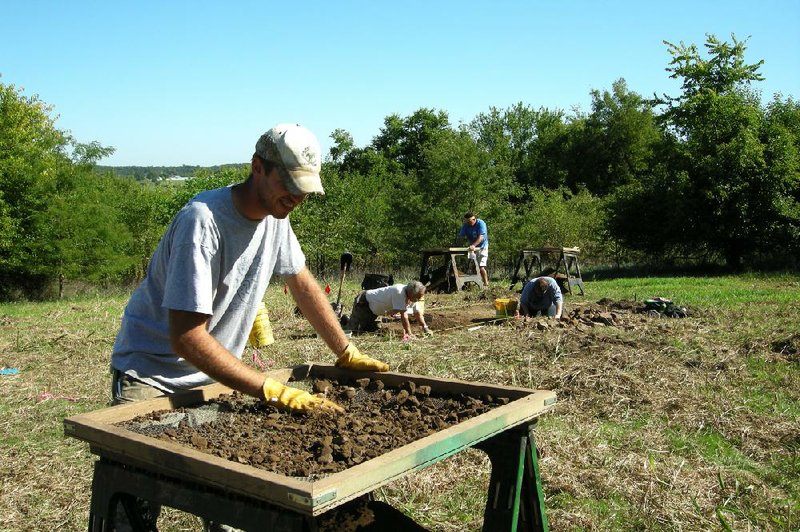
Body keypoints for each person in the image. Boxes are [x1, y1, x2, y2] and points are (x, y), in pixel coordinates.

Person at [109, 123, 392, 530]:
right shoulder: (202, 222)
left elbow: (302, 282)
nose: (296, 197)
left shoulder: (277, 218)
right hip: (153, 375)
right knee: (132, 508)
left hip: (216, 376)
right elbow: (186, 337)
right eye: (290, 184)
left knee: (233, 507)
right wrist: (269, 388)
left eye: (304, 188)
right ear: (257, 167)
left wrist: (344, 350)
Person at [347, 281, 432, 338]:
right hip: (364, 303)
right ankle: (345, 320)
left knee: (371, 331)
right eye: (418, 297)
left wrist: (425, 328)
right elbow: (404, 316)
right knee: (354, 331)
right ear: (411, 293)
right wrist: (409, 334)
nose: (419, 299)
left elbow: (418, 313)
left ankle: (354, 321)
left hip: (374, 312)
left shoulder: (413, 297)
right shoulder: (399, 292)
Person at [458, 211, 489, 287]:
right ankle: (478, 283)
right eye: (466, 222)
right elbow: (461, 237)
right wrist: (456, 245)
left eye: (469, 221)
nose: (468, 223)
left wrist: (474, 245)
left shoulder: (481, 223)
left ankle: (486, 284)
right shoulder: (466, 225)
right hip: (472, 248)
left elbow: (481, 237)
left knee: (481, 266)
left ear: (474, 219)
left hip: (482, 247)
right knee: (474, 266)